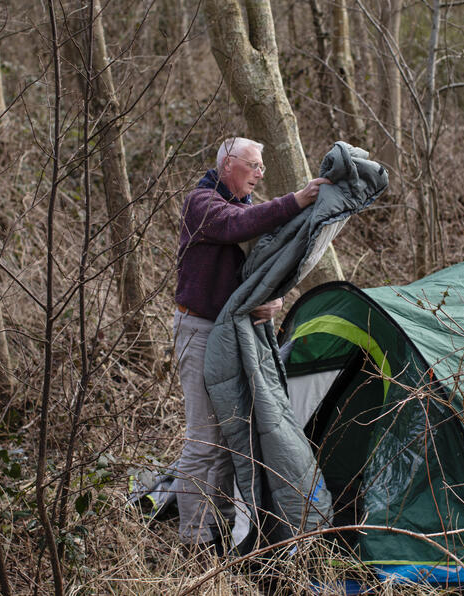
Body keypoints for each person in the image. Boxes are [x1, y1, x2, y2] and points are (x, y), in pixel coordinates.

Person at [170, 137, 329, 551]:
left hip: (231, 335)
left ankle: (217, 532)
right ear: (228, 165)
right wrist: (297, 200)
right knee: (204, 440)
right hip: (200, 331)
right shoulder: (202, 203)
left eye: (262, 167)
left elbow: (256, 268)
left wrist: (273, 298)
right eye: (254, 166)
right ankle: (193, 545)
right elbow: (237, 226)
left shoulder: (241, 208)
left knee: (227, 440)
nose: (260, 174)